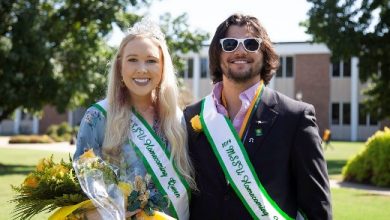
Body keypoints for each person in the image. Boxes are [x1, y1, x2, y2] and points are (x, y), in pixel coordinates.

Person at [183, 13, 332, 219]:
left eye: (251, 43)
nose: (240, 50)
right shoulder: (192, 116)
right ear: (217, 53)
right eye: (230, 44)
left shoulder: (296, 117)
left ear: (265, 54)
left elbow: (317, 206)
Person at [74, 18, 194, 220]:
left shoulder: (177, 119)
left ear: (163, 67)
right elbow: (78, 189)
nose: (142, 69)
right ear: (120, 66)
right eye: (132, 60)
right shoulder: (97, 117)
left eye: (151, 60)